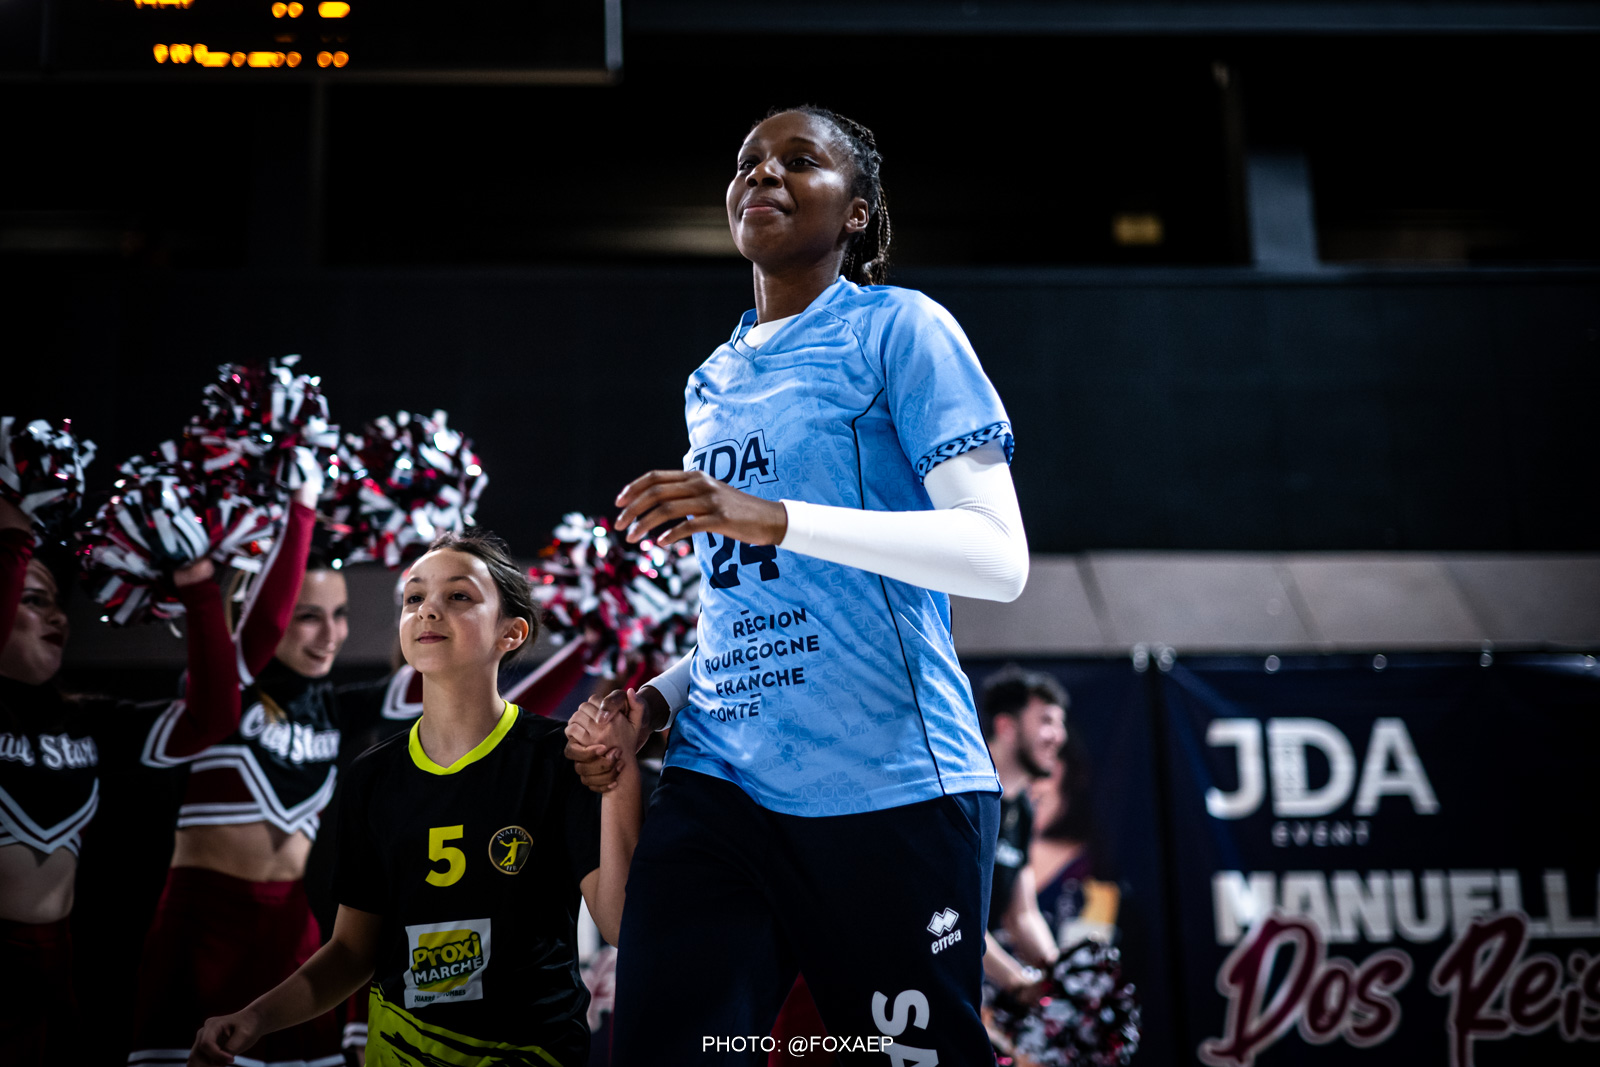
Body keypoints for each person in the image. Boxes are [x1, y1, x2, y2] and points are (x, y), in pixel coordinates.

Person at [566, 105, 1029, 1064]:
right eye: (747, 163)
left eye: (798, 161)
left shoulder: (900, 327)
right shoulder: (710, 380)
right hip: (723, 779)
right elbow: (753, 599)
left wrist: (773, 515)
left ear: (856, 211)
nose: (762, 175)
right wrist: (660, 700)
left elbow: (998, 557)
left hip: (889, 781)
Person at [190, 530, 642, 1067]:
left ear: (512, 632)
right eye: (414, 597)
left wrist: (620, 771)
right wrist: (255, 1018)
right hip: (397, 1053)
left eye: (458, 595)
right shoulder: (371, 776)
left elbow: (621, 924)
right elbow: (351, 952)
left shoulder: (558, 759)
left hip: (529, 1055)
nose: (428, 609)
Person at [0, 495, 236, 1065]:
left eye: (58, 604)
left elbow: (211, 719)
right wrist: (15, 530)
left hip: (60, 965)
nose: (60, 618)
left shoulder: (85, 719)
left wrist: (199, 587)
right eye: (33, 600)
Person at [127, 485, 352, 1067]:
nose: (331, 635)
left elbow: (436, 683)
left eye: (340, 615)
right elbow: (253, 638)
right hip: (205, 927)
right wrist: (301, 504)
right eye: (308, 617)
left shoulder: (338, 705)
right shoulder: (222, 690)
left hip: (296, 935)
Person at [977, 667, 1066, 996]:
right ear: (1006, 727)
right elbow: (956, 916)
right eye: (1046, 721)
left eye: (1060, 723)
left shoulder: (1023, 808)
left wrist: (1063, 976)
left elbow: (1023, 916)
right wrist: (1017, 982)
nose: (1059, 736)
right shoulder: (965, 800)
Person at [1030, 731, 1120, 948]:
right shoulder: (988, 858)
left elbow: (1085, 961)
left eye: (1044, 772)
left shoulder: (1092, 876)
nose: (1032, 786)